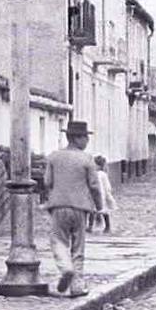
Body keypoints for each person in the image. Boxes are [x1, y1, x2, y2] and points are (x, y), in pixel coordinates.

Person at [43, 120, 103, 296]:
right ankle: (77, 285)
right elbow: (94, 185)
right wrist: (98, 206)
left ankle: (65, 268)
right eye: (86, 137)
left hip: (57, 206)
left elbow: (47, 182)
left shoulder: (54, 156)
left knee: (58, 241)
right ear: (77, 138)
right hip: (80, 207)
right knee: (78, 247)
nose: (87, 141)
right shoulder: (87, 159)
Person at [93, 155, 117, 234]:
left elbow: (106, 186)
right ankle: (92, 226)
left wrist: (107, 194)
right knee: (93, 210)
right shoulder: (95, 174)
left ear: (98, 165)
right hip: (96, 194)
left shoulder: (101, 174)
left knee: (104, 211)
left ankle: (107, 226)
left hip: (102, 195)